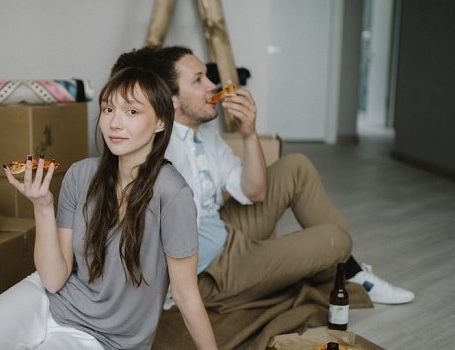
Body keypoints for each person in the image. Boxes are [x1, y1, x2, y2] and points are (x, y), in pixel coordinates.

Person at [0, 67, 218, 350]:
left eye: (132, 112)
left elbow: (186, 295)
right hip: (48, 299)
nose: (115, 123)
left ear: (161, 122)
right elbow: (54, 278)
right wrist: (43, 207)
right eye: (108, 110)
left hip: (105, 339)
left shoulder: (172, 194)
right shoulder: (81, 175)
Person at [110, 45, 414, 310]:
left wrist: (249, 132)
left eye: (208, 76)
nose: (213, 86)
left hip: (224, 229)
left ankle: (350, 270)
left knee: (295, 166)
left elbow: (255, 192)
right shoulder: (157, 143)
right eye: (199, 80)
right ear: (172, 100)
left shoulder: (205, 134)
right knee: (336, 240)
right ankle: (347, 269)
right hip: (210, 269)